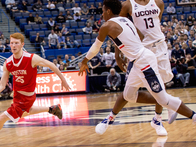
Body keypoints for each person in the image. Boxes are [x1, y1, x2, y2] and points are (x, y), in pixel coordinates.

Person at [78, 0, 196, 136]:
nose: (102, 14)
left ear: (108, 11)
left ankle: (193, 116)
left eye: (103, 11)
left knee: (164, 99)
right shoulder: (126, 21)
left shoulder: (107, 25)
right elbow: (140, 36)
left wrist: (84, 61)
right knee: (128, 94)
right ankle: (110, 119)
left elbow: (95, 48)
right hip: (138, 60)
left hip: (144, 61)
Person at [0, 33, 71, 147]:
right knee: (24, 113)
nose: (13, 45)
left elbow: (51, 65)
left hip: (27, 96)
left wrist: (63, 80)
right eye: (12, 43)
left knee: (1, 119)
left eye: (16, 43)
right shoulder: (8, 63)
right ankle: (52, 109)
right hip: (17, 95)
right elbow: (2, 84)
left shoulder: (31, 58)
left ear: (22, 44)